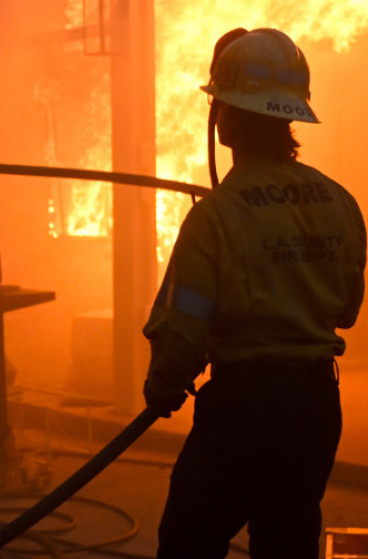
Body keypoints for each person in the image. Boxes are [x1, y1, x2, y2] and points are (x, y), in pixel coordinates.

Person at [142, 28, 366, 558]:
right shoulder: (340, 202)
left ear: (223, 118)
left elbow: (183, 327)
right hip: (315, 408)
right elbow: (348, 310)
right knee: (287, 542)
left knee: (187, 543)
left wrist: (164, 385)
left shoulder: (215, 218)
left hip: (244, 409)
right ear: (292, 114)